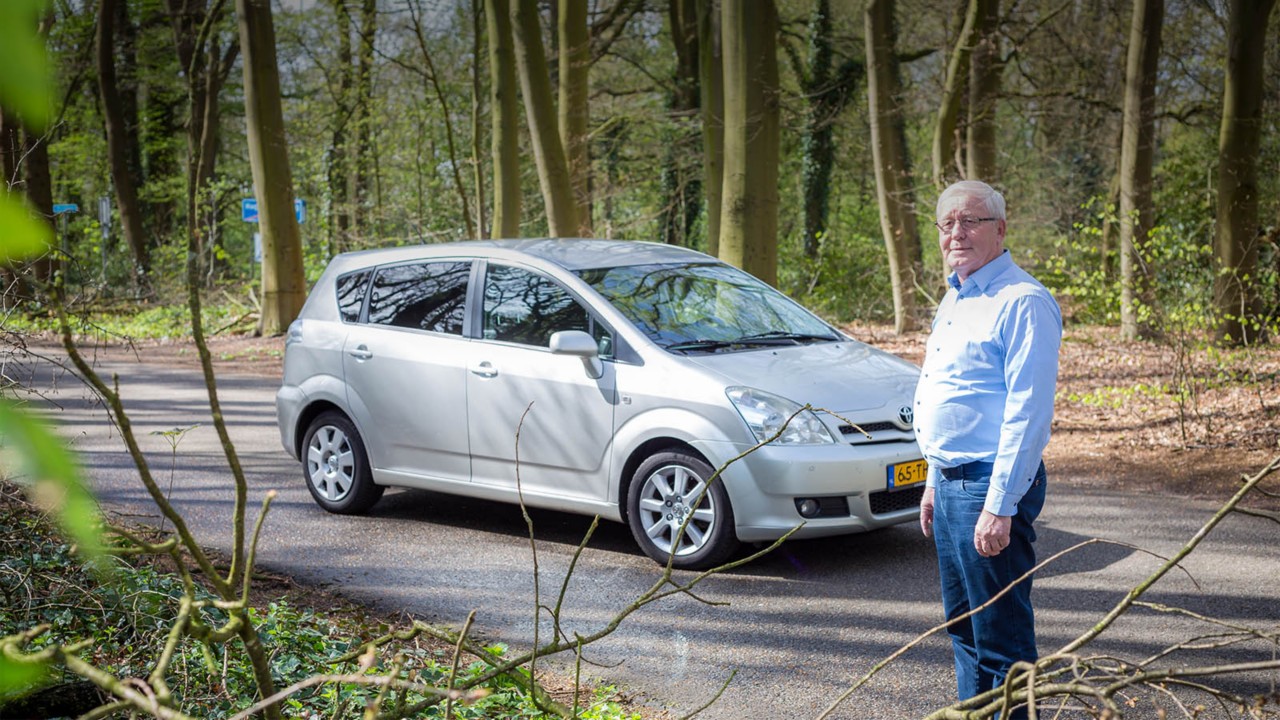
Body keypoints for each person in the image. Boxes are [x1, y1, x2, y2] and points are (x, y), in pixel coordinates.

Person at [913, 180, 1062, 718]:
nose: (958, 232)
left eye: (971, 221)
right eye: (948, 223)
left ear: (1000, 230)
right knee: (965, 631)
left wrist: (999, 505)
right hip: (952, 481)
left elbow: (1028, 413)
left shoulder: (1022, 301)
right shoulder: (956, 296)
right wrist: (933, 479)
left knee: (1002, 640)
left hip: (988, 485)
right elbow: (946, 396)